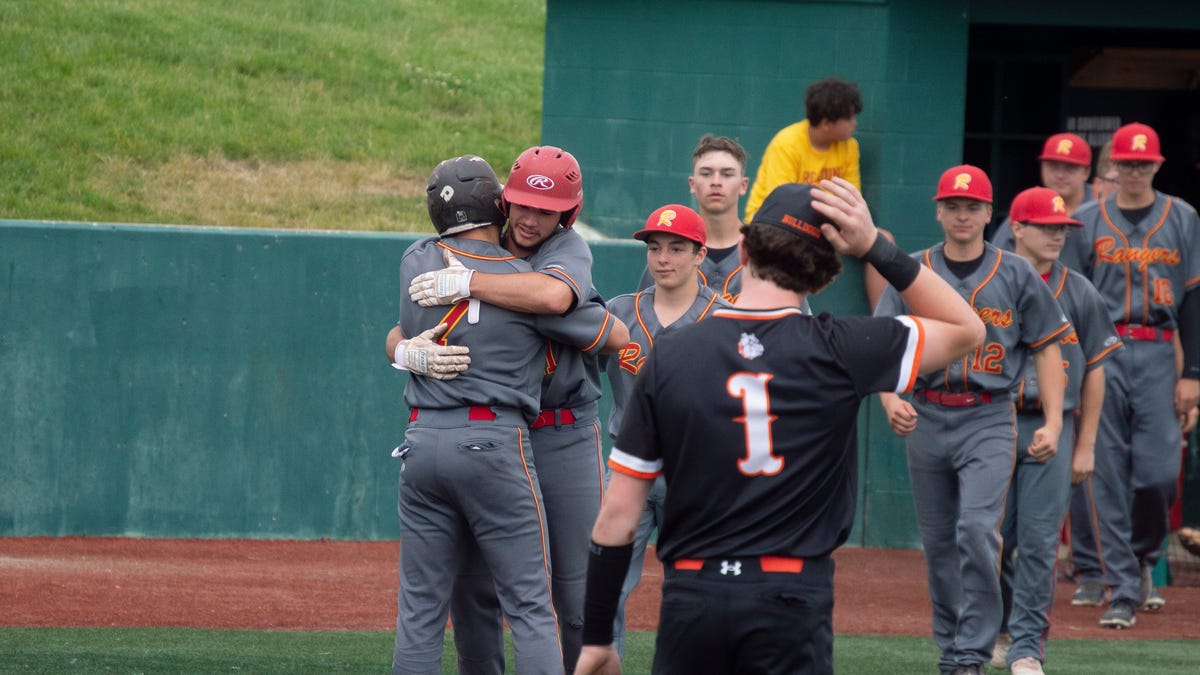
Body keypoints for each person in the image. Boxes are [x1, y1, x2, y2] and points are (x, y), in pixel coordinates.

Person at [576, 178, 986, 675]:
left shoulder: (670, 357)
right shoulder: (842, 348)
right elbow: (968, 329)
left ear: (743, 248)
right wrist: (875, 247)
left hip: (694, 598)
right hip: (790, 599)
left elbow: (616, 517)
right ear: (825, 278)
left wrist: (598, 638)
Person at [387, 154, 626, 674]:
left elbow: (559, 299)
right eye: (522, 204)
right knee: (474, 593)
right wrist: (404, 351)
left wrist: (470, 284)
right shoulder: (484, 250)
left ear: (567, 214)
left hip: (559, 431)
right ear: (502, 201)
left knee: (575, 592)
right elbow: (403, 326)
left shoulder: (565, 247)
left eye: (547, 209)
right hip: (501, 439)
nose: (530, 218)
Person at [875, 165, 1069, 675]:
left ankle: (973, 651)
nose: (962, 214)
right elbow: (881, 345)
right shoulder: (912, 270)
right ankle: (952, 651)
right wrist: (889, 398)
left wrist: (1053, 421)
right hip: (928, 414)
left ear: (989, 214)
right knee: (939, 543)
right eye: (953, 205)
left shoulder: (1016, 272)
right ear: (939, 211)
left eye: (973, 206)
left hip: (988, 416)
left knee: (978, 529)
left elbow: (1048, 348)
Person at [1057, 122, 1200, 629]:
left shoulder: (1182, 216)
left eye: (1145, 162)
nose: (1135, 169)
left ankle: (1141, 556)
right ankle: (1122, 586)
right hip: (1104, 351)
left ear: (1157, 165)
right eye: (1127, 162)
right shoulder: (1088, 219)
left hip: (1160, 354)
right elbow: (1069, 297)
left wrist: (1195, 374)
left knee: (1159, 476)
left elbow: (1194, 298)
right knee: (1106, 473)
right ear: (1112, 167)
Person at [991, 187, 1123, 675]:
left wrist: (1085, 445)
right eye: (1045, 227)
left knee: (1041, 542)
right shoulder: (991, 280)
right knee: (992, 538)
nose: (1055, 236)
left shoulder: (1080, 289)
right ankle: (998, 629)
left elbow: (1095, 369)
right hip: (994, 421)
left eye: (1061, 229)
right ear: (1017, 229)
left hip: (1056, 424)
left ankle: (1027, 648)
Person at [606, 203, 731, 659]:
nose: (664, 257)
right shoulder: (619, 312)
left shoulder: (728, 319)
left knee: (696, 596)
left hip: (696, 474)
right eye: (656, 247)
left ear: (700, 255)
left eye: (677, 248)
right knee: (604, 591)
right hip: (626, 469)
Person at [635, 135, 749, 302]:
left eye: (727, 174)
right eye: (706, 173)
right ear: (692, 184)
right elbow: (642, 316)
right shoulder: (666, 256)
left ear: (743, 185)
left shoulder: (765, 255)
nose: (716, 182)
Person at [744, 77, 862, 223]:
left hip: (821, 222)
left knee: (883, 238)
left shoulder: (850, 147)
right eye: (849, 118)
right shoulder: (786, 144)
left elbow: (852, 201)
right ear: (826, 124)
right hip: (772, 222)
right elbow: (781, 203)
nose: (854, 123)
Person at [991, 132, 1093, 251]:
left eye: (1070, 168)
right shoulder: (1028, 205)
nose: (1060, 175)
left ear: (1086, 172)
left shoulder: (1102, 208)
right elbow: (998, 257)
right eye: (1052, 167)